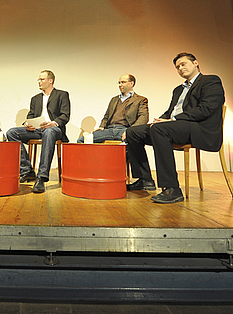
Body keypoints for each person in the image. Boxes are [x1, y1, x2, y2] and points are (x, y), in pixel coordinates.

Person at [125, 53, 225, 204]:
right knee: (133, 132)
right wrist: (159, 120)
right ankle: (144, 179)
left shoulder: (210, 81)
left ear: (196, 63)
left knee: (159, 130)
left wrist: (172, 120)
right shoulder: (178, 89)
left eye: (183, 64)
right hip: (178, 125)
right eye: (177, 67)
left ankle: (172, 189)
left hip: (199, 127)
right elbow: (170, 112)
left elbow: (206, 109)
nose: (180, 68)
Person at [6, 70, 70, 193]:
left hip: (54, 129)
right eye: (38, 80)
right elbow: (30, 116)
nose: (39, 82)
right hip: (38, 129)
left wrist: (53, 123)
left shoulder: (62, 95)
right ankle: (27, 170)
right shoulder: (35, 99)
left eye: (42, 79)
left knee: (49, 132)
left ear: (50, 81)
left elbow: (65, 115)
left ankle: (41, 176)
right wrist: (27, 124)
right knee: (12, 132)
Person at [77, 74, 148, 143]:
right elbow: (106, 116)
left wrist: (130, 131)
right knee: (81, 140)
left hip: (125, 129)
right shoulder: (114, 99)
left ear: (131, 83)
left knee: (134, 144)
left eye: (123, 82)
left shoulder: (140, 100)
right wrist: (102, 126)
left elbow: (143, 118)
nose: (120, 85)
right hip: (109, 130)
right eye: (119, 83)